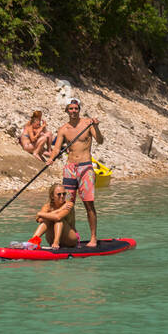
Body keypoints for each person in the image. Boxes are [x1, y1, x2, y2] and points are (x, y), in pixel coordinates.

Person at [48, 100, 103, 248]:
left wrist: (96, 128)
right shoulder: (63, 129)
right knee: (66, 204)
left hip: (85, 167)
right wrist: (51, 159)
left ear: (79, 110)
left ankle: (93, 238)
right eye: (71, 109)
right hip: (69, 168)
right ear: (67, 111)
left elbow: (100, 141)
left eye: (76, 108)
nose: (73, 111)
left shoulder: (88, 124)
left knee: (88, 204)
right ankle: (71, 235)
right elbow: (56, 148)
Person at [34, 182, 80, 251]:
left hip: (70, 239)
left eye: (64, 194)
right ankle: (33, 241)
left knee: (58, 220)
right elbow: (40, 220)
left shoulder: (68, 205)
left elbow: (58, 217)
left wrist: (40, 214)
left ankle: (56, 242)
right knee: (47, 219)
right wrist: (59, 210)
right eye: (59, 194)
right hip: (51, 239)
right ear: (52, 196)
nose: (62, 196)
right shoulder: (47, 206)